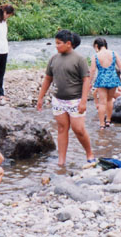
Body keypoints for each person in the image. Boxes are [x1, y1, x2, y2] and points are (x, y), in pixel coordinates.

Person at [37, 29, 95, 166]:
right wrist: (40, 97)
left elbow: (86, 80)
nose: (56, 46)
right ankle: (61, 161)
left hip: (75, 99)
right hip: (58, 100)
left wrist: (84, 101)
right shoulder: (53, 59)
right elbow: (47, 79)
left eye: (59, 43)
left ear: (68, 43)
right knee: (62, 129)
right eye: (55, 43)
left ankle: (89, 153)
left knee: (78, 129)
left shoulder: (79, 59)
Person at [89, 38, 121, 129]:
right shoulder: (114, 53)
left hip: (102, 79)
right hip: (113, 79)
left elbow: (93, 70)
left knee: (102, 103)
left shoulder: (95, 56)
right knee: (110, 100)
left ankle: (102, 124)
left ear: (96, 46)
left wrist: (89, 82)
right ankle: (108, 121)